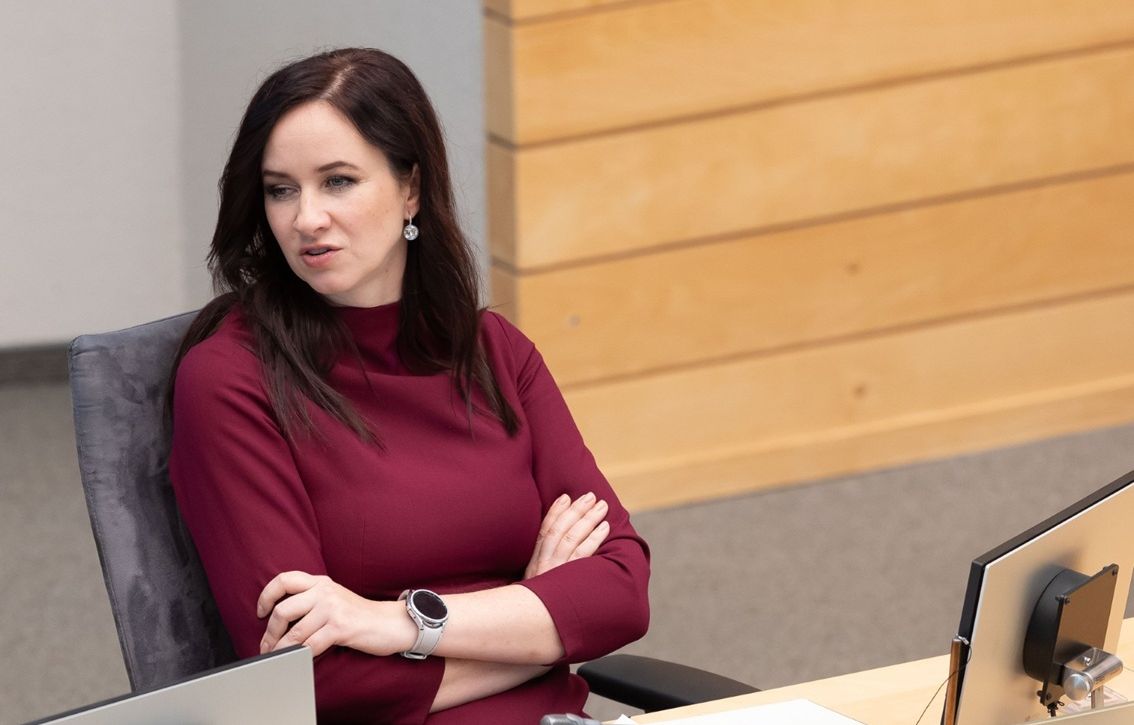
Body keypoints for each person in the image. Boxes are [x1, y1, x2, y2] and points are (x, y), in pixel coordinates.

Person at [167, 47, 650, 724]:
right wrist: (537, 619)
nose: (306, 218)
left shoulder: (494, 351)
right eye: (281, 189)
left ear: (411, 189)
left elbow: (621, 592)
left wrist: (398, 622)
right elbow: (311, 682)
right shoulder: (230, 380)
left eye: (338, 181)